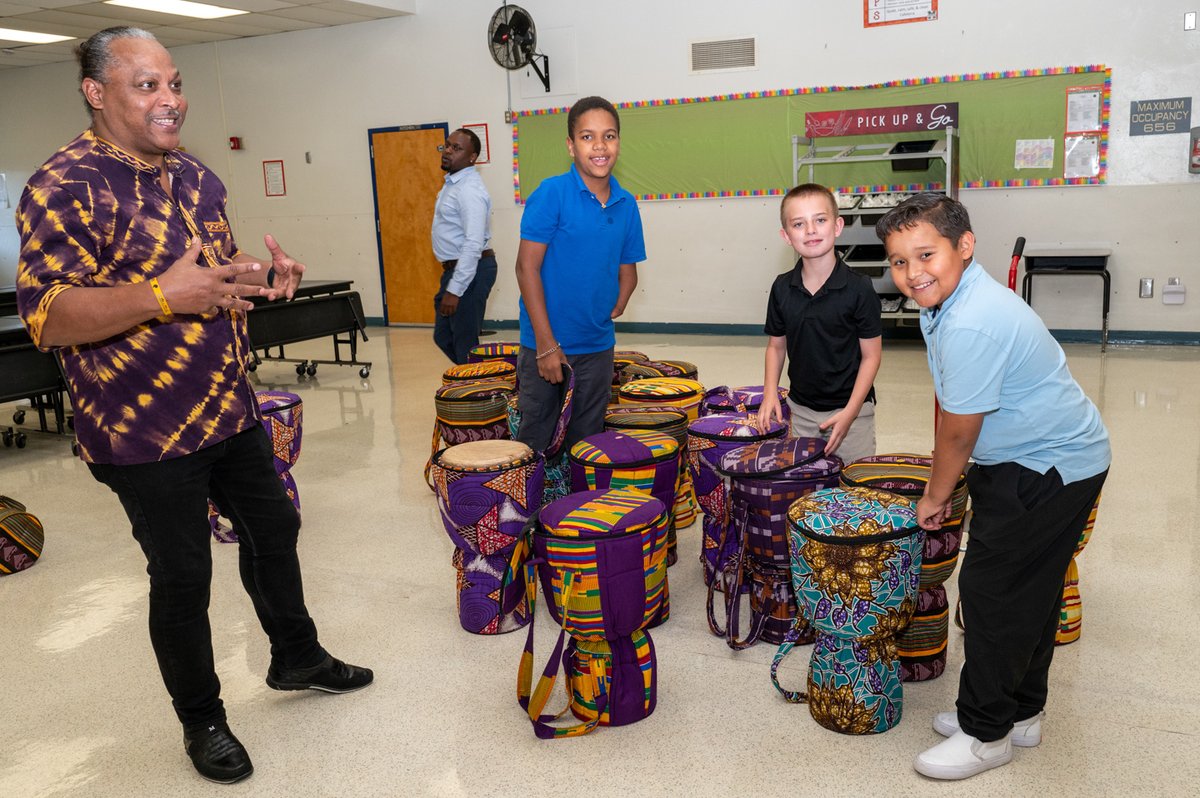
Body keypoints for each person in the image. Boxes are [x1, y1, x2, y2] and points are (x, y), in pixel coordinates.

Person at [15, 27, 372, 785]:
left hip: (226, 405)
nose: (170, 99)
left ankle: (296, 656)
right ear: (96, 92)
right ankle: (202, 720)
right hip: (141, 429)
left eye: (174, 83)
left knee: (274, 527)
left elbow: (209, 274)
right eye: (147, 85)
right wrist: (156, 296)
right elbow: (45, 313)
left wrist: (256, 275)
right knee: (182, 577)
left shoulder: (197, 177)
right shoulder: (63, 183)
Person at [875, 193, 1110, 781]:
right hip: (1052, 458)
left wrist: (935, 496)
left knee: (991, 594)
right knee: (1031, 592)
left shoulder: (974, 321)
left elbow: (958, 431)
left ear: (965, 245)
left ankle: (986, 734)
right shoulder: (956, 299)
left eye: (926, 254)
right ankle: (1020, 712)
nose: (912, 273)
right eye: (899, 262)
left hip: (1046, 467)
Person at [514, 96, 645, 451]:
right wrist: (545, 345)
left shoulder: (626, 203)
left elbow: (628, 270)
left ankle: (576, 508)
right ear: (571, 146)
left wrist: (615, 306)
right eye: (587, 137)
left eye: (609, 136)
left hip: (598, 348)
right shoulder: (551, 194)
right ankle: (527, 510)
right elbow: (526, 267)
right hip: (546, 345)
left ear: (618, 142)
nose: (600, 146)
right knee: (536, 442)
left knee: (586, 444)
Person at [757, 183, 882, 464]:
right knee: (805, 489)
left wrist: (850, 412)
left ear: (837, 226)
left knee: (853, 489)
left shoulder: (859, 288)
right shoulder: (781, 288)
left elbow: (871, 356)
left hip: (853, 413)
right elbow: (776, 347)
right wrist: (769, 395)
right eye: (799, 224)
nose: (811, 230)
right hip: (801, 412)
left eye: (820, 220)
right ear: (786, 235)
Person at [432, 127, 496, 364]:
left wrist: (455, 289)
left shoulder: (469, 189)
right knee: (444, 336)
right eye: (447, 145)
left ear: (472, 157)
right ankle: (479, 378)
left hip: (471, 270)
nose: (448, 151)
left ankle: (480, 389)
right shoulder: (453, 184)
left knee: (464, 343)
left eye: (456, 148)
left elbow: (473, 243)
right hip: (457, 269)